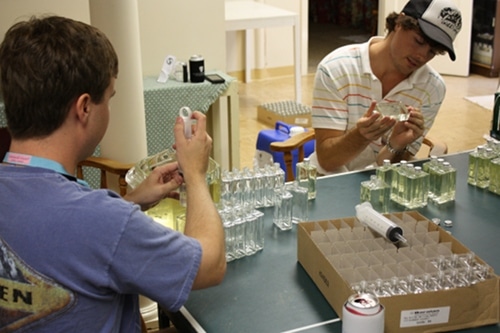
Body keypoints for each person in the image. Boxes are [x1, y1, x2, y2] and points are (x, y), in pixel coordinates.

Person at [0, 15, 226, 332]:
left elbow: (60, 236)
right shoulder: (103, 222)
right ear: (84, 108)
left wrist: (129, 202)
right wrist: (196, 173)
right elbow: (211, 265)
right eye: (109, 98)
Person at [309, 0, 462, 174]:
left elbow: (394, 166)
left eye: (432, 52)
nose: (422, 56)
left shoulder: (432, 88)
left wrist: (396, 145)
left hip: (383, 183)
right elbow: (327, 160)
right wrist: (360, 136)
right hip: (331, 181)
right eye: (419, 41)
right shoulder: (336, 68)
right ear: (399, 23)